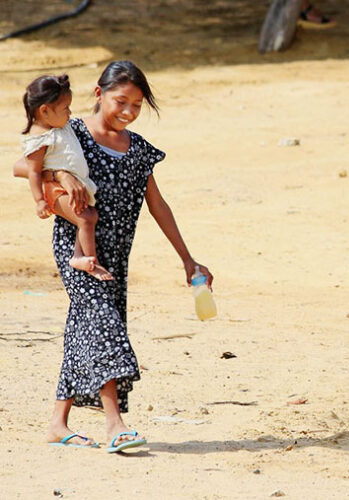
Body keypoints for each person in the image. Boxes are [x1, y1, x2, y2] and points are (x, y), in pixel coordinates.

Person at [13, 60, 213, 453]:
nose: (128, 111)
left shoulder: (137, 150)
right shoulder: (71, 133)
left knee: (84, 328)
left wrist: (189, 260)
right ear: (99, 94)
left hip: (117, 254)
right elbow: (23, 164)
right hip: (78, 252)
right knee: (104, 325)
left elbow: (158, 206)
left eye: (137, 105)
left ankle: (58, 423)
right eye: (121, 101)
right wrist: (60, 177)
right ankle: (115, 424)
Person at [20, 74, 113, 281]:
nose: (70, 113)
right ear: (45, 110)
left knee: (91, 216)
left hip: (74, 186)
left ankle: (78, 256)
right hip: (56, 191)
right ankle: (91, 262)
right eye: (65, 109)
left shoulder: (60, 127)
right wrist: (40, 201)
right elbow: (33, 172)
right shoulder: (40, 139)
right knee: (86, 219)